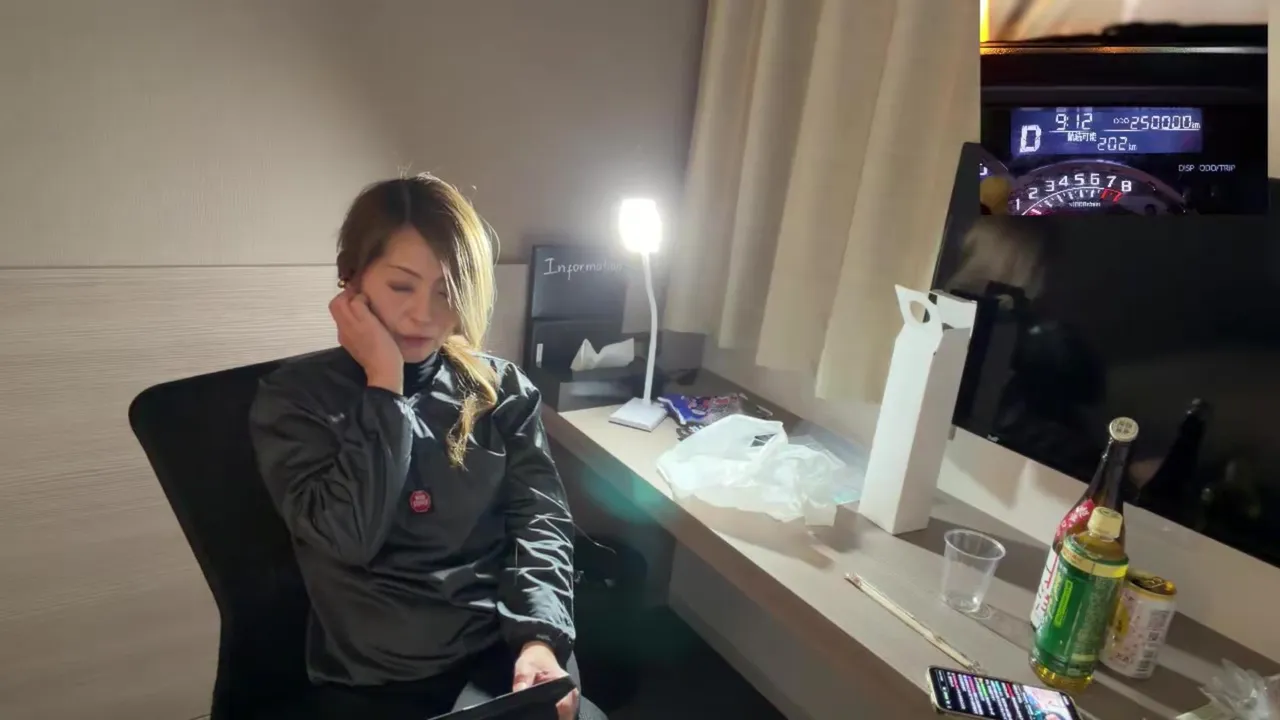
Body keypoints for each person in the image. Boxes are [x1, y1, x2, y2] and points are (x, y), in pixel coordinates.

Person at [249, 174, 590, 720]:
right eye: (401, 286)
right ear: (351, 280)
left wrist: (539, 639)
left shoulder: (501, 389)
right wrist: (385, 385)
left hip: (503, 647)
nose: (425, 315)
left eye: (447, 290)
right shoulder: (295, 399)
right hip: (382, 676)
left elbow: (539, 521)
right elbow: (349, 536)